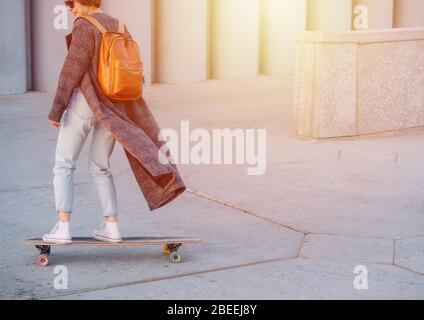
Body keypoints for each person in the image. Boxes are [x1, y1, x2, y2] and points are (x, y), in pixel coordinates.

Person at [43, 0, 123, 244]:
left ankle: (63, 228)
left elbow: (71, 69)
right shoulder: (119, 25)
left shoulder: (85, 25)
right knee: (101, 166)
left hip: (87, 102)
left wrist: (57, 109)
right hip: (115, 104)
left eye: (71, 2)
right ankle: (112, 229)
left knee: (64, 163)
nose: (69, 8)